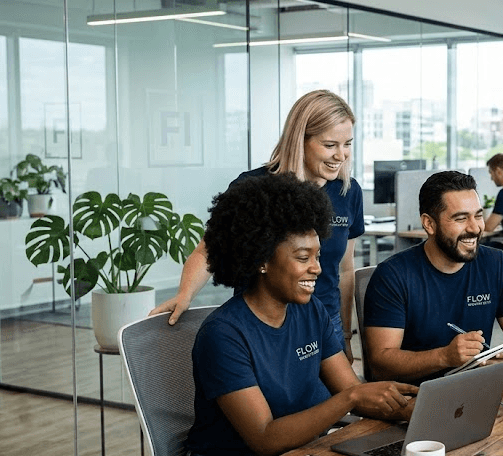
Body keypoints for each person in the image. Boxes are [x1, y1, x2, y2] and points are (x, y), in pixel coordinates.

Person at [184, 173, 417, 456]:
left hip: (296, 454)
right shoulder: (223, 334)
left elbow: (351, 390)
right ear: (261, 261)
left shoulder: (311, 312)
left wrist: (417, 410)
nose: (317, 268)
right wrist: (351, 400)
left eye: (318, 256)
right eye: (303, 257)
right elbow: (264, 437)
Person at [152, 90, 364, 361]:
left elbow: (345, 270)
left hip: (325, 322)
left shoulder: (348, 191)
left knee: (331, 400)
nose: (341, 155)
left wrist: (344, 333)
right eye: (330, 145)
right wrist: (185, 294)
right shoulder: (253, 187)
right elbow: (208, 251)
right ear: (300, 140)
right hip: (264, 323)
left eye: (347, 144)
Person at [363, 170, 503, 384]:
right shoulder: (392, 276)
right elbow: (381, 365)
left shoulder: (495, 263)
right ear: (429, 224)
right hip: (413, 399)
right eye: (461, 218)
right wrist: (444, 357)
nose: (475, 228)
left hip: (473, 390)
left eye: (478, 215)